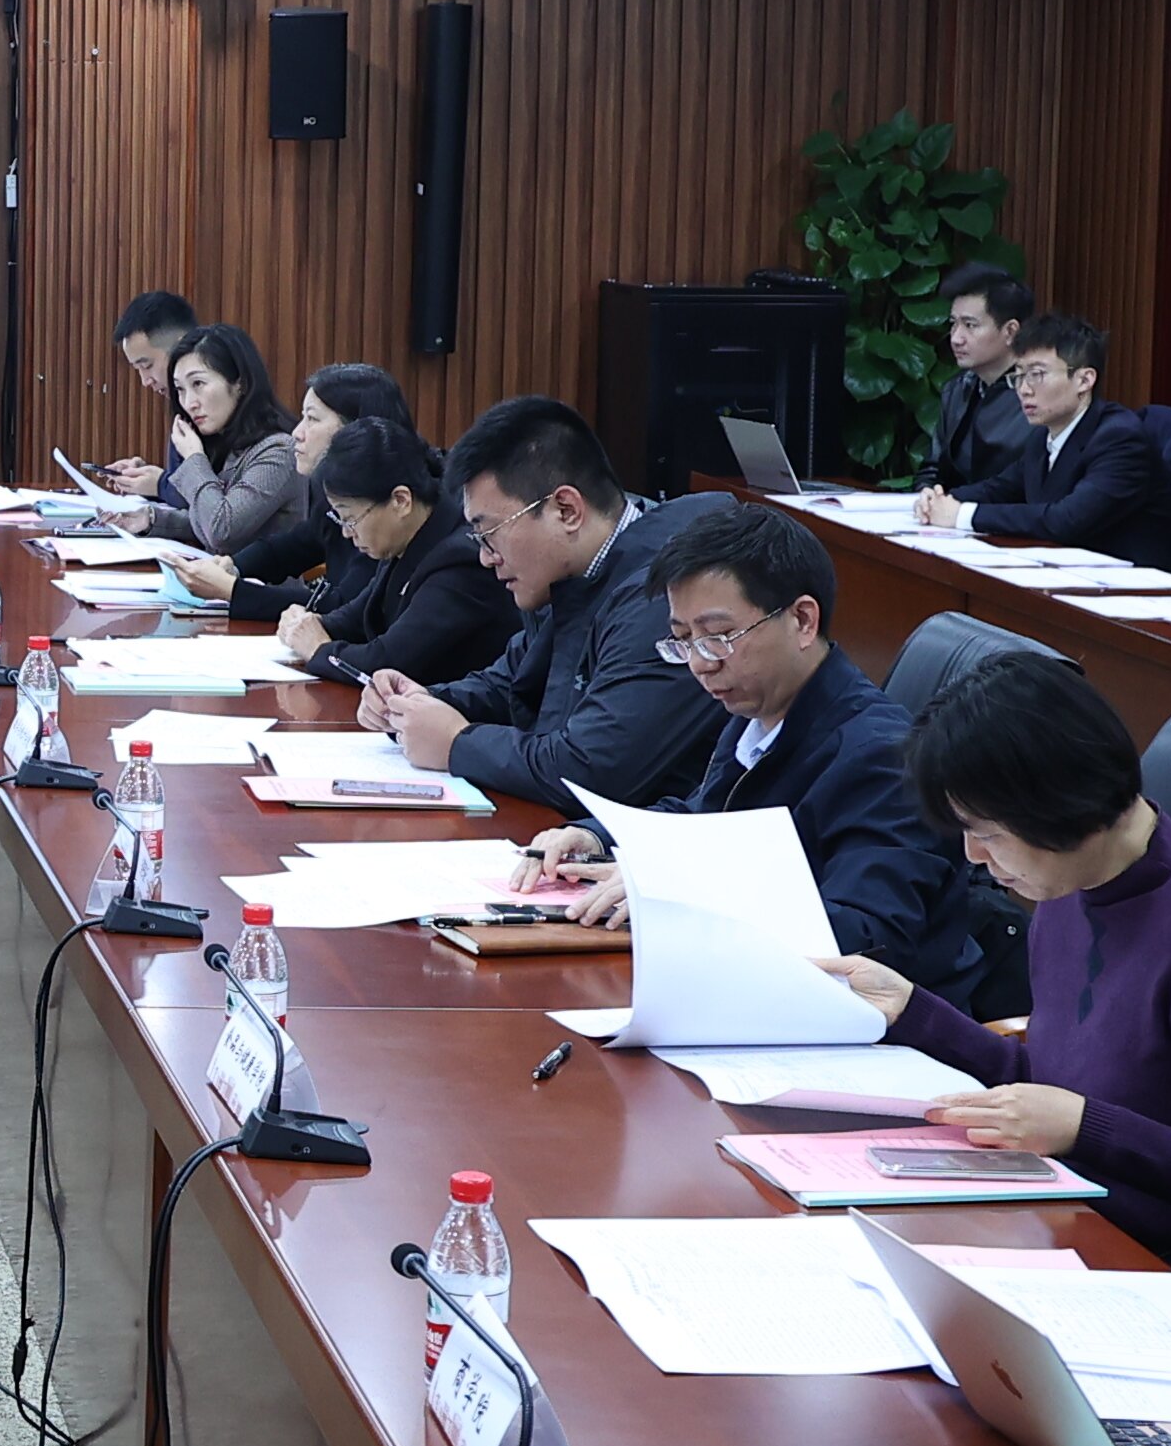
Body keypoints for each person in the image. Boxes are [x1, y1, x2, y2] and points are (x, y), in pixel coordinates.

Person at [831, 655, 1171, 1282]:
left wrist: (1084, 1128)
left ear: (1055, 800)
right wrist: (912, 1011)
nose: (973, 855)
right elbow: (1060, 1083)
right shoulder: (1069, 881)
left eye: (987, 832)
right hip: (1075, 1223)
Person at [511, 493, 980, 998]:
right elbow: (703, 819)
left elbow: (866, 938)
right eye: (683, 639)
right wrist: (597, 837)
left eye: (718, 636)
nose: (700, 663)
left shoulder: (881, 756)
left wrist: (677, 890)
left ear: (803, 620)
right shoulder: (758, 712)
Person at [359, 396, 720, 806]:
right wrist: (419, 703)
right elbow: (512, 683)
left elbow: (592, 771)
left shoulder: (664, 595)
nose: (485, 557)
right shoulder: (568, 576)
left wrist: (457, 743)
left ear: (566, 510)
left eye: (488, 533)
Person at [917, 311, 1171, 569]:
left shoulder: (1120, 439)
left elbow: (1066, 520)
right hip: (1074, 576)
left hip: (1142, 587)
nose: (1024, 389)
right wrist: (940, 499)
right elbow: (999, 489)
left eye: (1037, 375)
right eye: (1018, 376)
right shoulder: (1044, 436)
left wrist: (963, 515)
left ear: (1084, 380)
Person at [268, 420, 515, 687]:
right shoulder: (409, 538)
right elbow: (357, 618)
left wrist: (318, 648)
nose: (347, 533)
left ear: (400, 501)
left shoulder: (461, 562)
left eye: (350, 519)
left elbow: (387, 662)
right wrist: (310, 624)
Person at [160, 363, 409, 611]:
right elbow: (292, 547)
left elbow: (344, 607)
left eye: (312, 419)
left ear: (356, 430)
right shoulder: (335, 491)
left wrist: (231, 590)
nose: (297, 433)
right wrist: (233, 566)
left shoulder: (385, 508)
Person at [120, 322, 306, 559]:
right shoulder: (226, 441)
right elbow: (207, 518)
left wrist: (193, 458)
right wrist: (151, 519)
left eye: (198, 384)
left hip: (260, 582)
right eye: (180, 389)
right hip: (217, 579)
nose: (189, 403)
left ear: (240, 383)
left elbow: (222, 531)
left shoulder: (279, 450)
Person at [920, 264, 1035, 499]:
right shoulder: (957, 388)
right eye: (953, 323)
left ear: (1010, 331)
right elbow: (932, 469)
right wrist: (926, 495)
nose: (956, 338)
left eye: (970, 325)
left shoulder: (1038, 394)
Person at [87, 290, 196, 504]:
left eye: (147, 366)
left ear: (181, 347)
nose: (145, 381)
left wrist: (161, 484)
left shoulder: (211, 409)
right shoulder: (180, 406)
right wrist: (147, 480)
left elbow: (212, 503)